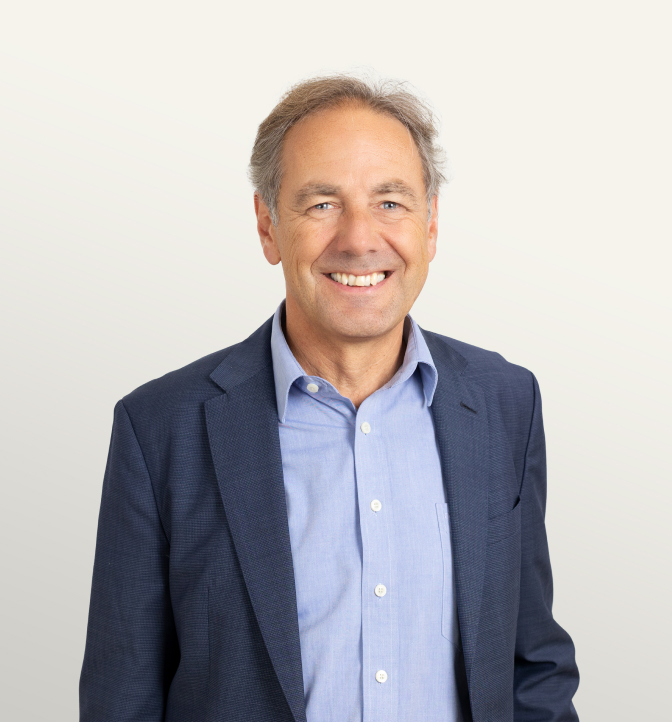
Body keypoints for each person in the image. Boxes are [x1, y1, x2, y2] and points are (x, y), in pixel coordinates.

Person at [79, 74, 580, 722]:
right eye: (321, 204)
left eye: (390, 202)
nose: (359, 238)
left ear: (431, 226)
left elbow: (531, 665)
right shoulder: (161, 432)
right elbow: (123, 700)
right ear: (267, 226)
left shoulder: (506, 405)